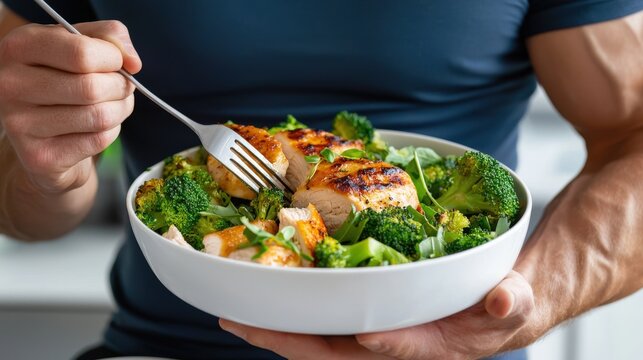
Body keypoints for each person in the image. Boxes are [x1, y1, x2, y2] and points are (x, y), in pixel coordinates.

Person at [1, 1, 642, 359]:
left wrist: (525, 305)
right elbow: (22, 208)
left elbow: (634, 134)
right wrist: (49, 165)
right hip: (168, 347)